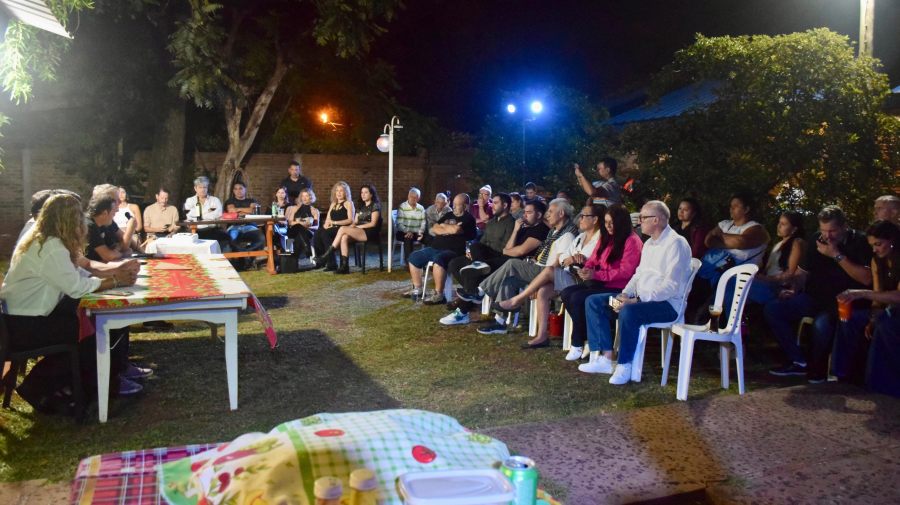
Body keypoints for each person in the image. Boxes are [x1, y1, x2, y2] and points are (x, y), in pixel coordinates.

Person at [0, 194, 141, 413]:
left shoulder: (46, 239)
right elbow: (76, 287)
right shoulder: (50, 246)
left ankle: (77, 387)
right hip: (24, 325)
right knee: (91, 336)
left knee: (90, 326)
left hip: (23, 315)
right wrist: (114, 280)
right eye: (78, 216)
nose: (83, 222)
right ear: (67, 220)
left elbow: (78, 272)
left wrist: (116, 274)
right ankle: (38, 388)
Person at [578, 201, 692, 385]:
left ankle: (625, 364)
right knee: (595, 302)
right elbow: (638, 275)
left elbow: (670, 287)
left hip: (667, 306)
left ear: (656, 220)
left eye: (643, 218)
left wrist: (636, 300)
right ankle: (606, 358)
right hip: (638, 300)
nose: (639, 221)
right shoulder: (650, 244)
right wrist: (624, 294)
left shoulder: (676, 244)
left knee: (628, 312)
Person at [765, 206, 873, 383]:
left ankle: (820, 371)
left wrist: (836, 255)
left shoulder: (859, 241)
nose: (827, 236)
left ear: (844, 226)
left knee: (821, 325)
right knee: (774, 309)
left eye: (832, 231)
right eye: (824, 230)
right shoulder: (817, 239)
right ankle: (798, 360)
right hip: (815, 297)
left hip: (843, 300)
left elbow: (866, 279)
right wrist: (794, 288)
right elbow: (803, 272)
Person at [495, 203, 606, 347]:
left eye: (584, 216)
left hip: (582, 281)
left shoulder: (599, 239)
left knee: (544, 270)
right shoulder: (581, 237)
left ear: (595, 219)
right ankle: (542, 336)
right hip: (567, 275)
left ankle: (517, 300)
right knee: (542, 292)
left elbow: (589, 260)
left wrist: (575, 259)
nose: (580, 219)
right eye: (581, 216)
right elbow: (564, 257)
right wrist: (571, 259)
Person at [476, 198, 579, 338]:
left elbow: (557, 265)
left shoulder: (567, 235)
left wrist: (539, 282)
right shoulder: (554, 232)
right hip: (539, 268)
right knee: (510, 279)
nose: (547, 215)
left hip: (548, 273)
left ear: (561, 213)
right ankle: (500, 322)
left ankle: (481, 291)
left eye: (550, 211)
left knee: (512, 263)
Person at [560, 205, 643, 362]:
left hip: (618, 288)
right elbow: (593, 259)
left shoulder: (632, 241)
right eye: (606, 222)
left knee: (579, 298)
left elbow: (626, 272)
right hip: (600, 282)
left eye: (612, 222)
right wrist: (586, 269)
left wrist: (596, 274)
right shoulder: (607, 237)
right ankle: (584, 338)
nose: (608, 226)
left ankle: (578, 341)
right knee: (567, 293)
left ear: (621, 222)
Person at [447, 199, 549, 316]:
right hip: (504, 257)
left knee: (473, 273)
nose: (524, 215)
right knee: (460, 260)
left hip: (515, 264)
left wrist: (509, 250)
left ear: (539, 215)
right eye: (524, 212)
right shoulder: (522, 227)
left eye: (529, 212)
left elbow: (520, 251)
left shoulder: (541, 230)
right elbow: (507, 248)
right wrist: (516, 231)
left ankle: (463, 310)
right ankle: (478, 268)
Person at [835, 221, 900, 389]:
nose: (875, 249)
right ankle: (843, 375)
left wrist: (861, 293)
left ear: (892, 240)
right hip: (889, 309)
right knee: (850, 318)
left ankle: (885, 384)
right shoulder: (877, 260)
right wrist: (872, 316)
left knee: (886, 324)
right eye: (872, 245)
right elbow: (878, 294)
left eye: (878, 244)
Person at [438, 192, 517, 312]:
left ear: (505, 205)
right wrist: (472, 253)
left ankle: (465, 304)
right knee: (455, 263)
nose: (492, 206)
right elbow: (483, 241)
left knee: (474, 256)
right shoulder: (491, 222)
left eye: (495, 203)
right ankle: (473, 292)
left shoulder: (511, 222)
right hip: (481, 257)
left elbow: (506, 248)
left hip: (497, 257)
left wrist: (478, 251)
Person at [404, 193, 477, 299]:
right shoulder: (449, 215)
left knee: (439, 260)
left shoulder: (468, 219)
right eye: (453, 204)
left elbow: (456, 230)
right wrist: (449, 228)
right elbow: (435, 228)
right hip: (435, 247)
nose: (453, 206)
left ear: (465, 206)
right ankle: (417, 289)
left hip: (454, 251)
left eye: (457, 205)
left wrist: (444, 227)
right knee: (414, 257)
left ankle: (438, 294)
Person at [746, 211, 806, 305]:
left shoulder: (797, 243)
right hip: (769, 282)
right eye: (779, 222)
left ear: (794, 229)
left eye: (783, 224)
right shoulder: (778, 245)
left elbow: (790, 272)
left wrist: (767, 279)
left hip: (779, 286)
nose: (779, 226)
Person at [320, 184, 382, 274]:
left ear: (371, 194)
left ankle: (327, 255)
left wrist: (356, 227)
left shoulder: (375, 206)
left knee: (342, 229)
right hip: (359, 231)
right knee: (344, 236)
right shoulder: (360, 207)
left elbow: (373, 224)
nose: (363, 194)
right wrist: (351, 226)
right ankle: (345, 267)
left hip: (370, 231)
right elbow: (355, 222)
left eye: (366, 192)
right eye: (362, 192)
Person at [312, 181, 354, 271]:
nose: (338, 193)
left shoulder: (348, 203)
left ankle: (331, 263)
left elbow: (351, 220)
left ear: (346, 192)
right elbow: (328, 219)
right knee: (318, 233)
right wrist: (326, 224)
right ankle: (323, 259)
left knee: (324, 234)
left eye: (341, 191)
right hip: (332, 228)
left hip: (342, 229)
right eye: (337, 191)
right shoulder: (333, 204)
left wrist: (334, 223)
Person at [184, 176, 229, 251]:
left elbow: (217, 215)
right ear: (195, 188)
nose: (203, 190)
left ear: (207, 188)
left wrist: (200, 215)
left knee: (227, 238)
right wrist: (208, 212)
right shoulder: (190, 201)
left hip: (212, 229)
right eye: (200, 187)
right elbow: (190, 216)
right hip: (196, 231)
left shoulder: (215, 200)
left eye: (205, 187)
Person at [224, 181, 266, 256]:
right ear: (233, 191)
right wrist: (247, 210)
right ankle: (237, 260)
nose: (238, 191)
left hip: (250, 227)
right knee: (231, 240)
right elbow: (231, 211)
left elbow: (252, 211)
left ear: (245, 189)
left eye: (240, 188)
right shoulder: (230, 201)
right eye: (236, 189)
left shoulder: (252, 200)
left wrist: (238, 210)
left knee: (261, 238)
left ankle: (247, 253)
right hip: (234, 227)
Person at [284, 188, 320, 258]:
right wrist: (301, 223)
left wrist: (307, 227)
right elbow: (290, 223)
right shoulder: (295, 208)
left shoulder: (315, 211)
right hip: (295, 231)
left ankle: (289, 254)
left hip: (308, 232)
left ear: (310, 197)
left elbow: (316, 226)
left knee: (299, 230)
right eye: (303, 196)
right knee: (297, 227)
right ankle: (307, 248)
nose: (304, 198)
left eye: (306, 196)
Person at [396, 188, 426, 264]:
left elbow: (423, 222)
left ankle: (429, 262)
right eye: (411, 196)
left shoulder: (421, 208)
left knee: (430, 237)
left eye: (415, 197)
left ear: (418, 198)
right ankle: (410, 264)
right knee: (408, 238)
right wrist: (407, 231)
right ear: (408, 196)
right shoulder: (402, 206)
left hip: (417, 232)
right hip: (403, 232)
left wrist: (421, 232)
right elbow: (399, 224)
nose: (413, 198)